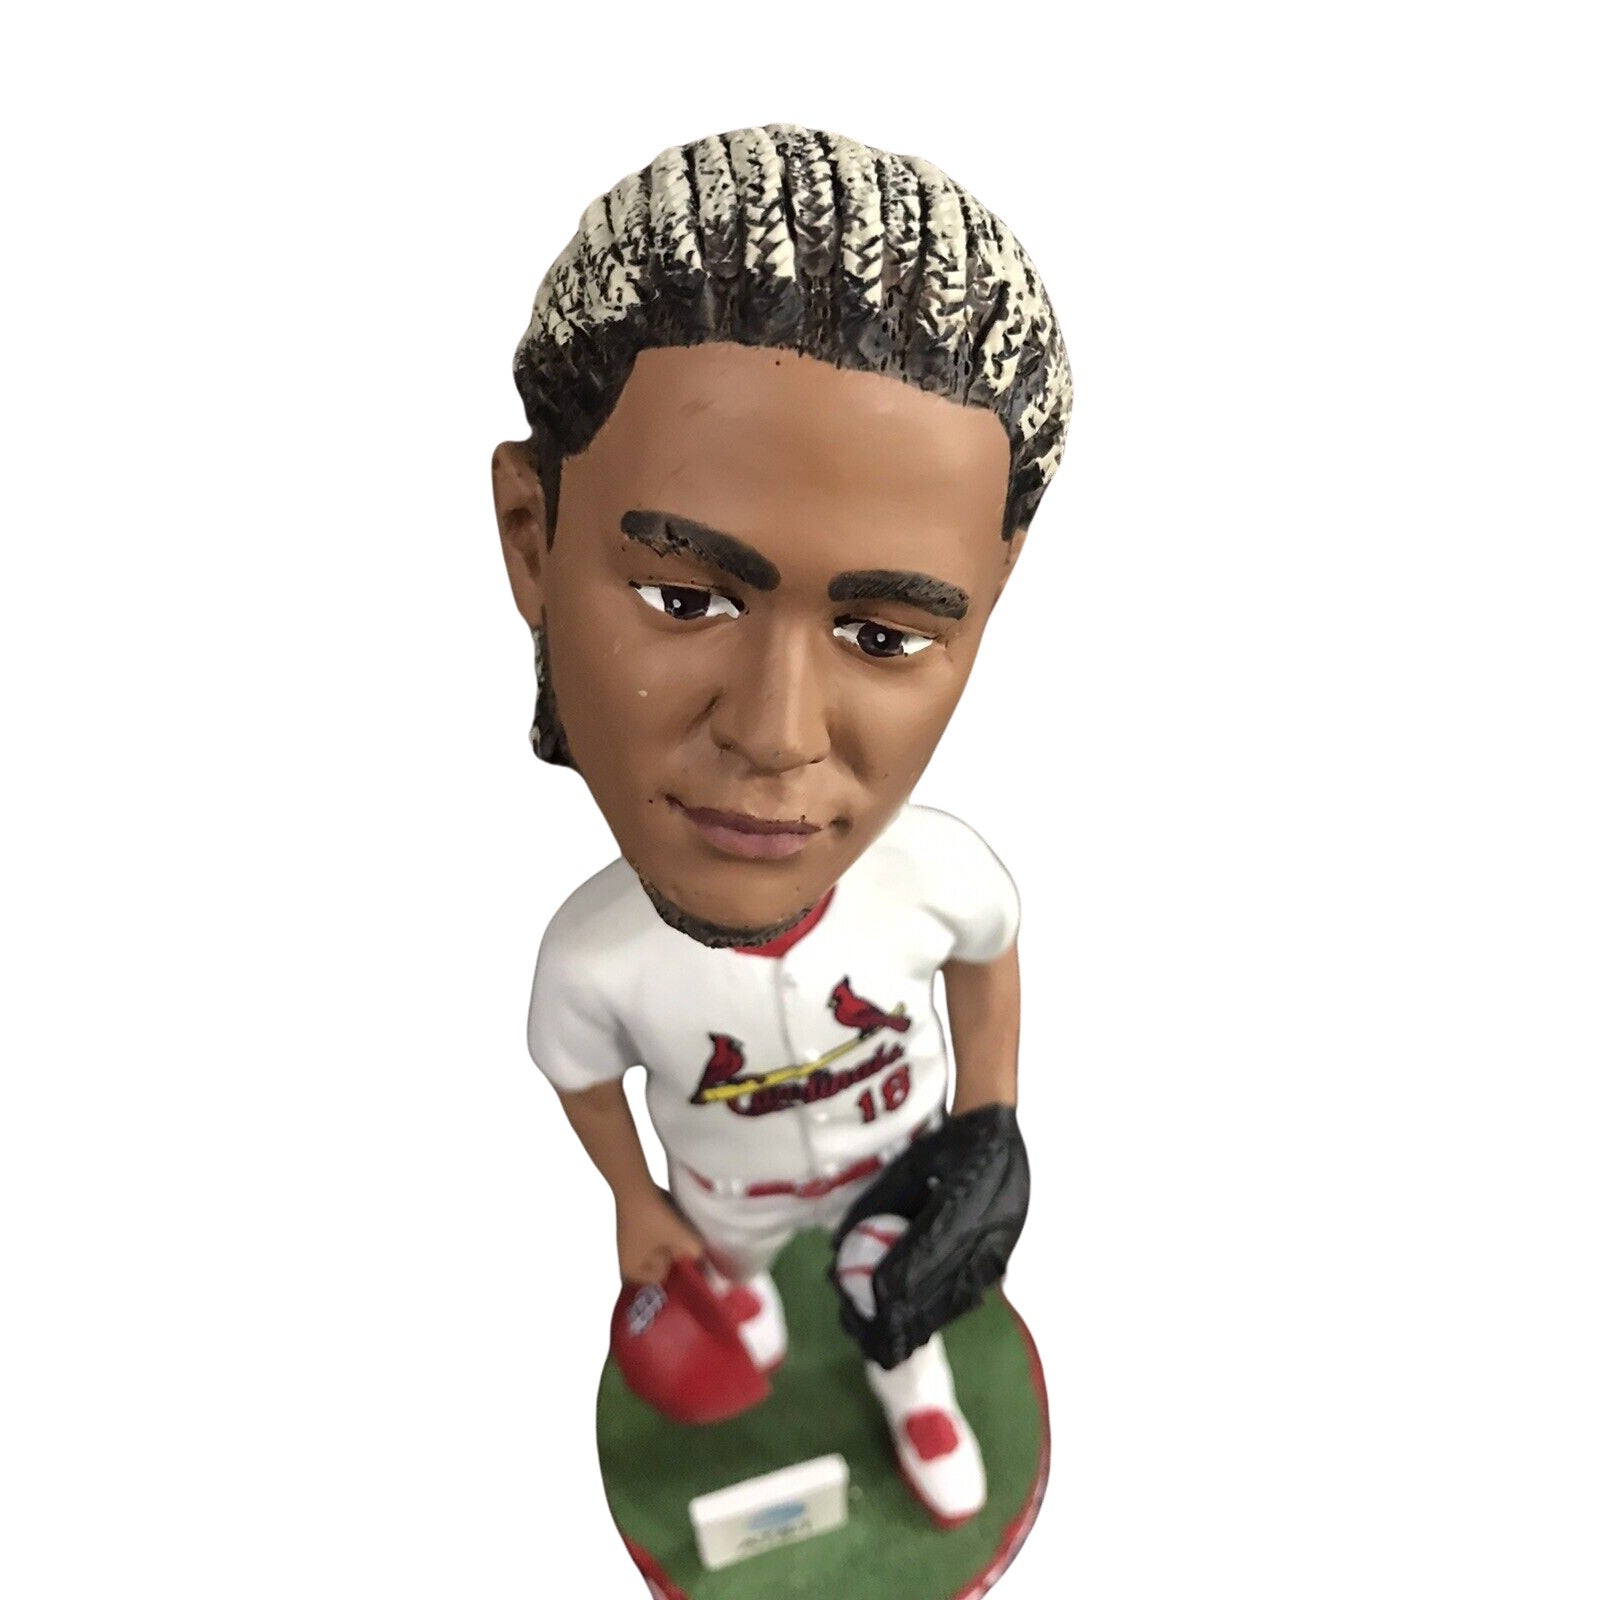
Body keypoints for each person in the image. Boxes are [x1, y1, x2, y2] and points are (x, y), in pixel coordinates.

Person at [491, 125, 1071, 1528]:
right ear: (532, 540)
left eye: (885, 632)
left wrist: (989, 1114)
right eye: (684, 599)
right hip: (726, 1189)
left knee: (897, 1307)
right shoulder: (595, 958)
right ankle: (748, 1334)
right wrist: (633, 1200)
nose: (776, 730)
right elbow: (581, 1076)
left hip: (892, 1163)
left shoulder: (933, 874)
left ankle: (911, 1388)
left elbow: (988, 950)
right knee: (735, 1294)